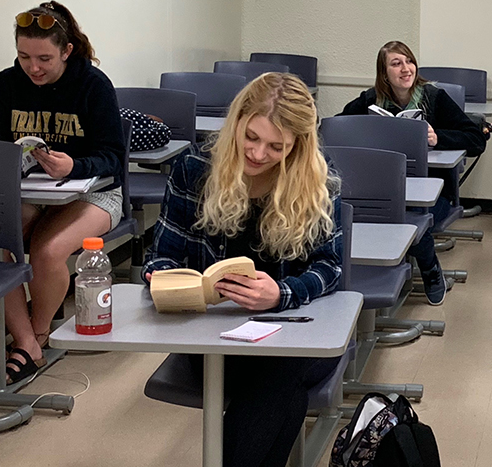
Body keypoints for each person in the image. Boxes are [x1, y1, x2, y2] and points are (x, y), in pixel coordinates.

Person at [144, 73, 343, 467]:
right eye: (250, 136)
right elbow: (160, 257)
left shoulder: (315, 179)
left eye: (276, 147)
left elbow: (330, 267)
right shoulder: (194, 168)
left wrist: (281, 294)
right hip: (217, 338)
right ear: (237, 120)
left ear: (298, 146)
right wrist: (171, 281)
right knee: (281, 391)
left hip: (298, 333)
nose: (257, 153)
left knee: (278, 379)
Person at [0, 1, 125, 384]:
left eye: (44, 57)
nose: (34, 68)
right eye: (24, 57)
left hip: (95, 193)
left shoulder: (94, 85)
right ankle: (27, 342)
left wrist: (74, 166)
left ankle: (35, 335)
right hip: (30, 193)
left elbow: (112, 157)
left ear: (67, 51)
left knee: (46, 251)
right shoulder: (7, 84)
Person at [338, 40, 485, 305]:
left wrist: (437, 137)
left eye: (409, 61)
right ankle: (374, 273)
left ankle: (431, 271)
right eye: (396, 63)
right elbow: (336, 128)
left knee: (408, 214)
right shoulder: (370, 100)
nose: (406, 69)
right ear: (384, 74)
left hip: (432, 197)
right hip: (382, 189)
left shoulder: (435, 98)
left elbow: (476, 139)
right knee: (363, 209)